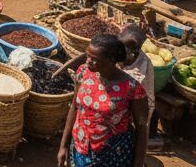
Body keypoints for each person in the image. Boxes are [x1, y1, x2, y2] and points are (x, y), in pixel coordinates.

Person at [60, 34, 148, 167]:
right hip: (81, 147)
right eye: (88, 56)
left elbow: (142, 128)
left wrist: (138, 164)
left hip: (113, 154)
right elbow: (74, 107)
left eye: (94, 59)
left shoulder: (132, 88)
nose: (88, 61)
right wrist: (63, 146)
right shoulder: (83, 72)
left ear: (111, 60)